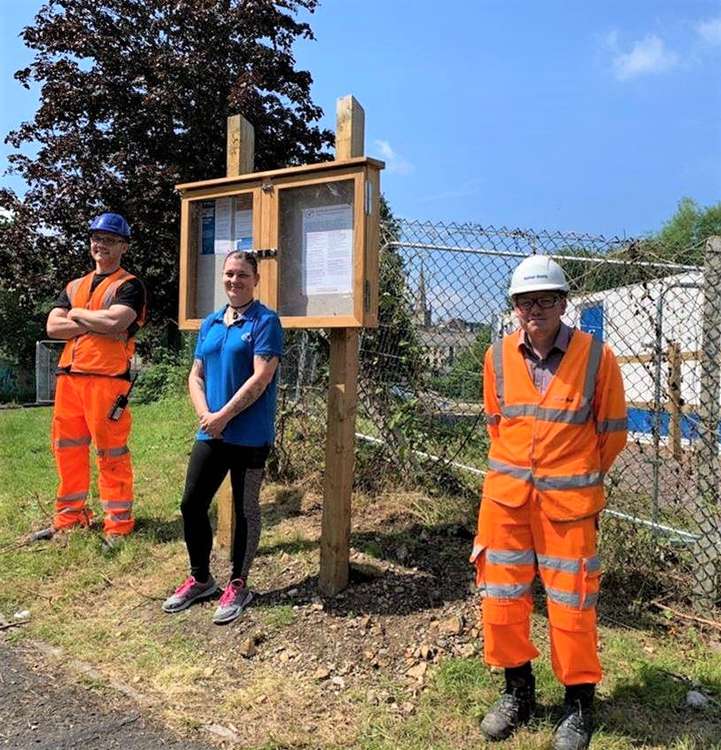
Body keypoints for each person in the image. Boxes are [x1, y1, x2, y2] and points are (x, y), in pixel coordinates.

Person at [472, 255, 627, 750]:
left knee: (573, 604)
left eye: (544, 299)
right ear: (514, 307)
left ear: (563, 303)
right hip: (506, 505)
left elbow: (612, 435)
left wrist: (571, 478)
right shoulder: (495, 357)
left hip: (569, 509)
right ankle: (518, 690)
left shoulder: (598, 358)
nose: (533, 309)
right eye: (524, 301)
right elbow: (498, 425)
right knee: (501, 601)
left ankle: (578, 704)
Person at [162, 251, 282, 625]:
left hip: (248, 435)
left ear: (255, 279)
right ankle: (201, 578)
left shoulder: (266, 321)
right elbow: (195, 375)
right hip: (210, 430)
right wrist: (205, 415)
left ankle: (238, 584)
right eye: (229, 274)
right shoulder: (212, 323)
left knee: (246, 510)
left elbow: (261, 378)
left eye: (242, 275)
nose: (234, 280)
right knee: (191, 503)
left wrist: (223, 416)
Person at [43, 212, 146, 548]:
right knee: (67, 450)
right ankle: (70, 519)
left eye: (110, 240)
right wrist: (93, 321)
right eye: (97, 238)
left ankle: (118, 525)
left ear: (124, 247)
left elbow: (118, 321)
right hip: (69, 379)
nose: (101, 245)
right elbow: (52, 327)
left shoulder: (129, 285)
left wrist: (75, 314)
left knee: (110, 453)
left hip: (106, 380)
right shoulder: (75, 285)